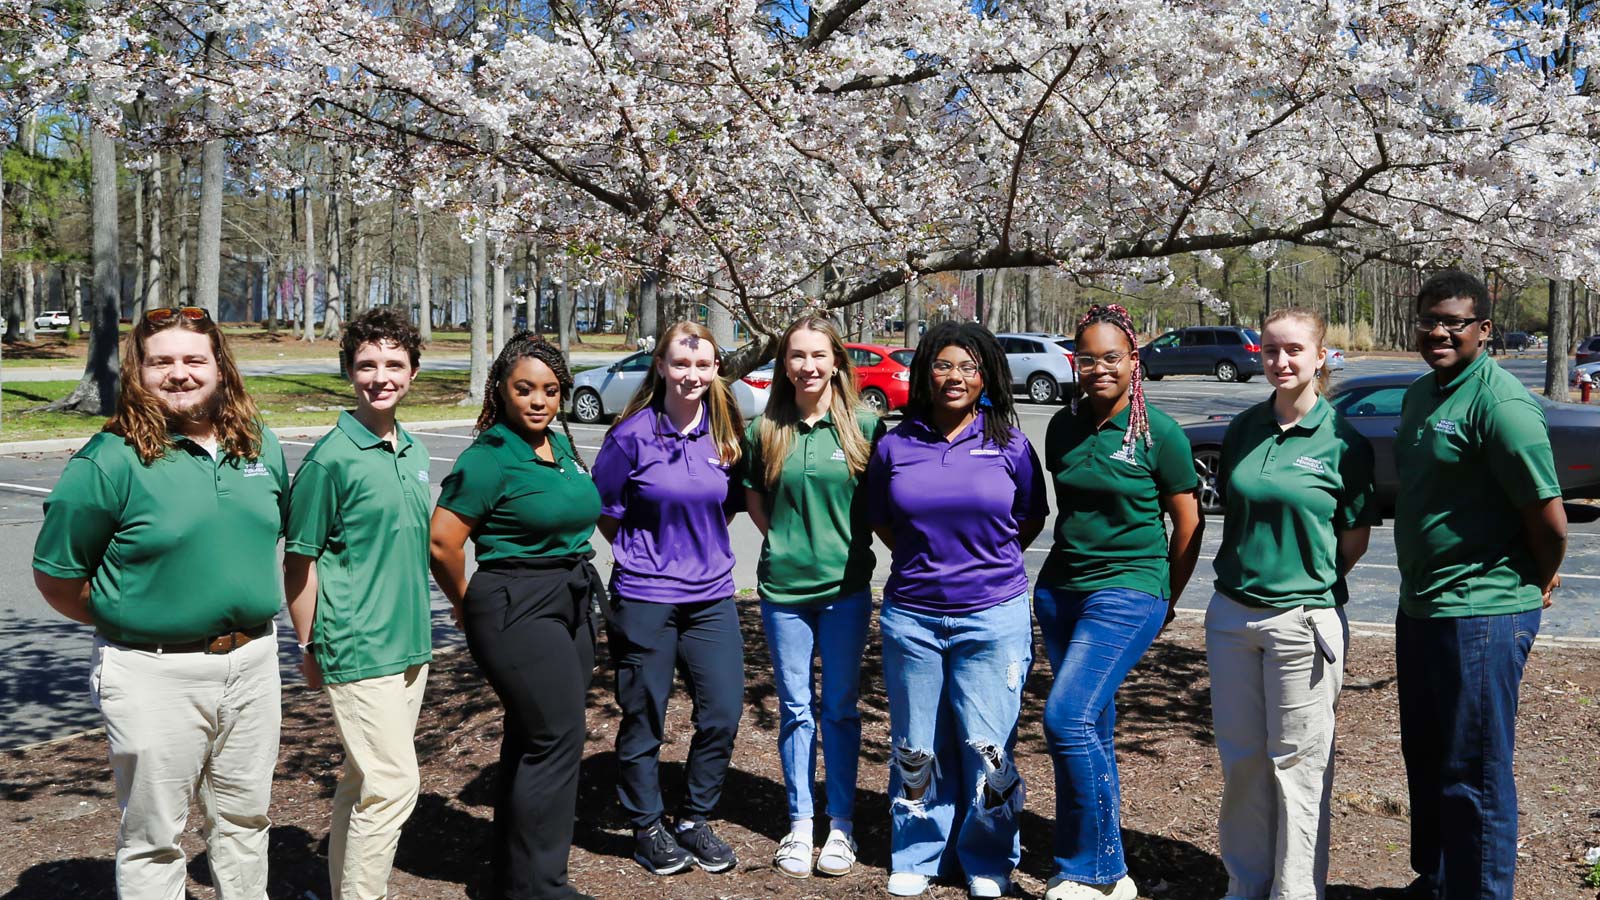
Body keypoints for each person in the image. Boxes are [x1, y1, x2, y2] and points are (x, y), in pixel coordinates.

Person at [32, 306, 288, 900]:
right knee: (154, 838)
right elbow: (58, 578)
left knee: (245, 822)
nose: (180, 373)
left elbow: (260, 539)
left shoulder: (259, 445)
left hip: (253, 665)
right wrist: (134, 615)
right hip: (152, 672)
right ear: (138, 373)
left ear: (219, 367)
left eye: (194, 359)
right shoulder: (109, 460)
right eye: (161, 362)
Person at [1394, 271, 1566, 898]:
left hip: (1483, 613)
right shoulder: (1421, 394)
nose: (1439, 331)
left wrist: (1537, 582)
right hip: (1421, 607)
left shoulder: (1502, 405)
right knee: (1430, 757)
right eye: (1428, 319)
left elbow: (1549, 522)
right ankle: (1439, 879)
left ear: (1484, 331)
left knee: (1477, 771)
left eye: (1455, 322)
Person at [863, 321, 1047, 899]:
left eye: (968, 367)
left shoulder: (1011, 443)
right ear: (924, 372)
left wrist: (983, 562)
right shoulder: (895, 444)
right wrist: (929, 561)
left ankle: (988, 858)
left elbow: (1030, 516)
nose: (955, 377)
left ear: (986, 375)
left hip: (993, 616)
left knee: (988, 746)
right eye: (944, 365)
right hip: (913, 618)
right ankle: (916, 853)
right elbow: (881, 518)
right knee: (917, 742)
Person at [1206, 306, 1377, 900]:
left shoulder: (1344, 442)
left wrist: (1306, 580)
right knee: (1244, 762)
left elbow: (1354, 536)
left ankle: (1295, 890)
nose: (1282, 361)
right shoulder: (1244, 428)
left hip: (1303, 621)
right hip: (1231, 617)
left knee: (1298, 771)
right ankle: (1245, 885)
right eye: (1271, 349)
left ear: (1321, 356)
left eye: (1295, 350)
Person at [1034, 304, 1203, 900]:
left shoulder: (1161, 433)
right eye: (1088, 358)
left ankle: (1097, 870)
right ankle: (1097, 863)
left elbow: (1188, 522)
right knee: (1091, 727)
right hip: (1060, 591)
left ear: (1134, 361)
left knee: (1066, 717)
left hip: (1130, 589)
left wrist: (1167, 596)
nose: (1099, 367)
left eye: (1112, 357)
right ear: (1073, 362)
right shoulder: (1062, 426)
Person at [429, 333, 604, 900]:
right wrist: (464, 603)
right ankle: (541, 887)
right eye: (524, 389)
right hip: (514, 603)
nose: (537, 401)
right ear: (500, 390)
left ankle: (514, 874)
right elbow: (443, 543)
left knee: (532, 736)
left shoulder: (559, 446)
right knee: (556, 737)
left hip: (570, 598)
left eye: (550, 391)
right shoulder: (488, 458)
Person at [283, 308, 433, 900]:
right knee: (394, 785)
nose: (380, 376)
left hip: (411, 645)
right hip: (356, 644)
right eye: (367, 364)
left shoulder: (416, 452)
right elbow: (299, 561)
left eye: (394, 363)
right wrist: (307, 645)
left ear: (413, 371)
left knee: (361, 783)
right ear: (349, 371)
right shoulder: (330, 459)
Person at [591, 321, 746, 876]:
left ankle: (693, 818)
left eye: (703, 365)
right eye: (681, 364)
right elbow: (605, 510)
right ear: (660, 366)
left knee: (724, 710)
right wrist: (645, 554)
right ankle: (646, 826)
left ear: (715, 370)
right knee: (644, 716)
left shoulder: (727, 433)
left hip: (711, 597)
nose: (692, 375)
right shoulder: (630, 435)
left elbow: (722, 508)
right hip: (645, 597)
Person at [743, 316, 884, 879]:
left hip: (846, 593)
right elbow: (754, 495)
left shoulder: (865, 426)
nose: (808, 366)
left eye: (818, 356)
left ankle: (841, 826)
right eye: (797, 356)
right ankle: (801, 825)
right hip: (783, 593)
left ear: (837, 363)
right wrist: (779, 538)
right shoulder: (766, 429)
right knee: (797, 710)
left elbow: (880, 504)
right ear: (784, 364)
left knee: (840, 710)